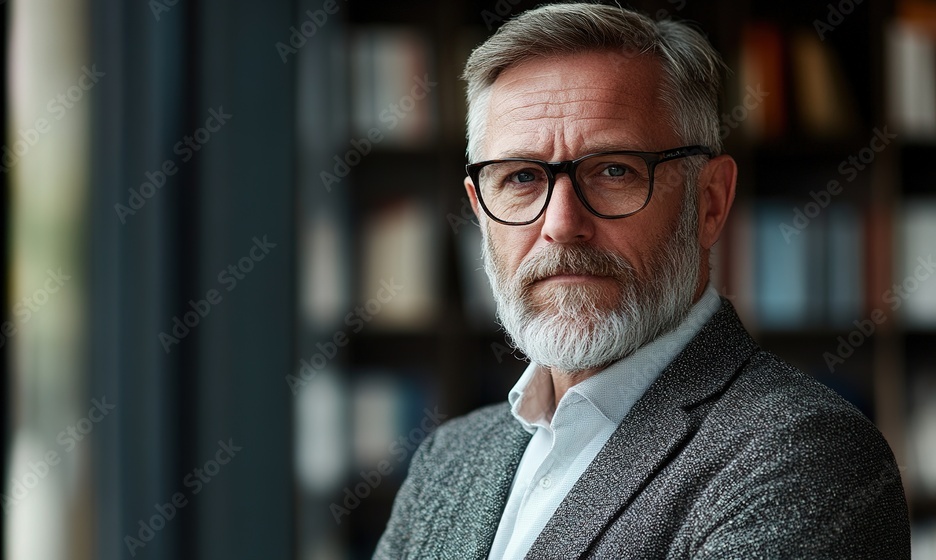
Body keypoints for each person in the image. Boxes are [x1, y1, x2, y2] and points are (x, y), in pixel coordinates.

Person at [373, 3, 910, 558]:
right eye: (522, 178)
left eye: (613, 171)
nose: (561, 225)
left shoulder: (807, 457)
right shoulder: (449, 460)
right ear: (480, 210)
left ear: (709, 202)